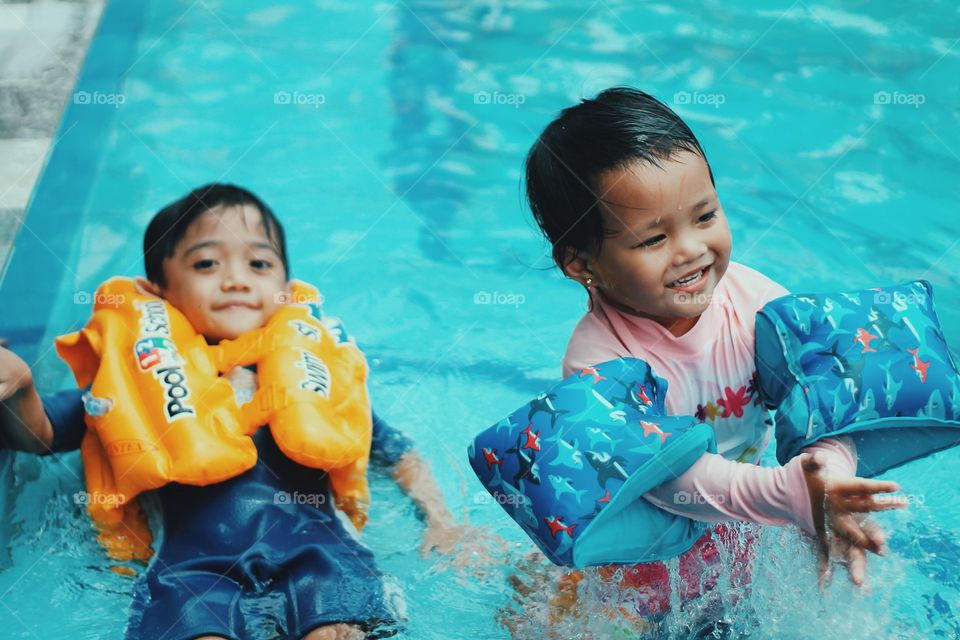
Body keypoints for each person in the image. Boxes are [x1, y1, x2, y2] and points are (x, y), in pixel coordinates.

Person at [0, 183, 483, 640]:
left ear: (285, 286)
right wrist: (19, 386)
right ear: (158, 290)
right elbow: (39, 437)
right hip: (193, 569)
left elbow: (399, 453)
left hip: (319, 556)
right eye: (207, 263)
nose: (235, 280)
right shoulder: (135, 380)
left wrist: (442, 521)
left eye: (258, 263)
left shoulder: (311, 376)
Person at [521, 87, 906, 627]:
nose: (691, 249)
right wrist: (788, 491)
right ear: (581, 263)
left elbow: (822, 397)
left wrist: (827, 481)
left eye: (704, 216)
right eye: (653, 238)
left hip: (753, 525)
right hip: (643, 560)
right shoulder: (599, 360)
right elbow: (663, 479)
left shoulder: (756, 303)